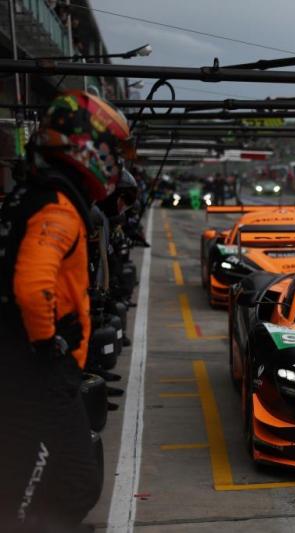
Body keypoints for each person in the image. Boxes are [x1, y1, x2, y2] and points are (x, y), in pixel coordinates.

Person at [0, 90, 131, 530]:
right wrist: (49, 348)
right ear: (87, 146)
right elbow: (32, 285)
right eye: (112, 151)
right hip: (37, 371)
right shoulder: (58, 207)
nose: (115, 162)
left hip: (21, 364)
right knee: (70, 481)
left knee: (38, 480)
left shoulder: (31, 195)